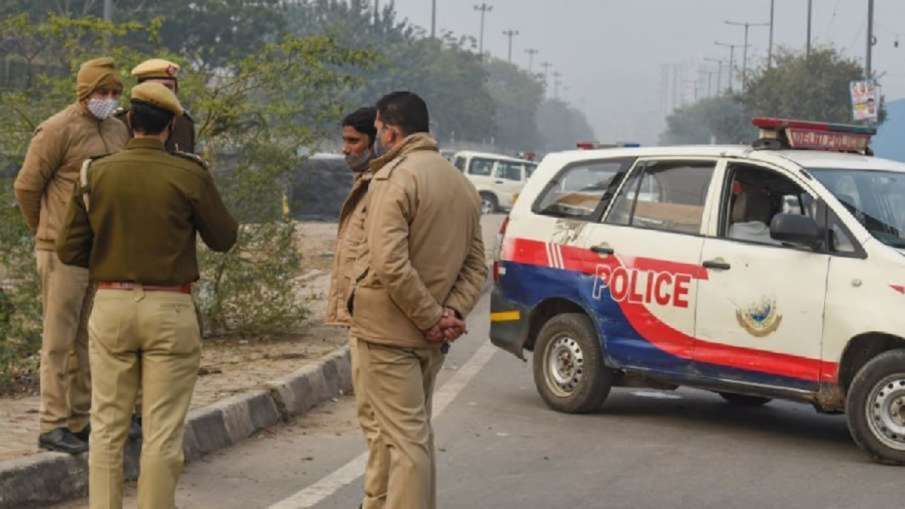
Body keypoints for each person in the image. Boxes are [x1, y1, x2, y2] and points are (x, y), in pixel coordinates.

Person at [56, 81, 237, 508]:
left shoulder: (94, 172)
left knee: (106, 428)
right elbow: (224, 237)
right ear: (172, 125)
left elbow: (68, 249)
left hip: (112, 305)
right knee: (162, 432)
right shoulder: (189, 173)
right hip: (170, 307)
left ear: (129, 121)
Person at [348, 91, 487, 509]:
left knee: (406, 441)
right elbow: (476, 264)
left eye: (376, 131)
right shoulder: (460, 183)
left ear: (390, 131)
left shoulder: (396, 177)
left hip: (389, 332)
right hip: (429, 337)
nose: (377, 139)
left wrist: (430, 317)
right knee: (406, 434)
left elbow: (388, 261)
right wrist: (450, 312)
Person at [14, 56, 129, 454]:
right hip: (60, 251)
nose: (109, 99)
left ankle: (80, 421)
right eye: (102, 92)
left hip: (99, 250)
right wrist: (44, 230)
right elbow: (27, 187)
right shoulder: (56, 129)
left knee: (87, 340)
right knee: (57, 340)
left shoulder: (117, 130)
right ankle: (51, 424)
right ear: (84, 92)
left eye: (115, 92)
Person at [325, 106, 386, 502]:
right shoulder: (367, 182)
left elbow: (387, 258)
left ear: (376, 141)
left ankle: (376, 499)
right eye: (344, 141)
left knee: (379, 421)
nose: (346, 150)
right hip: (362, 316)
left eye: (354, 141)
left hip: (376, 320)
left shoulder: (383, 186)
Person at [116, 58, 196, 153]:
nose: (161, 92)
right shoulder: (119, 122)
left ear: (176, 91)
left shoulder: (184, 124)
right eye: (154, 87)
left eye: (168, 87)